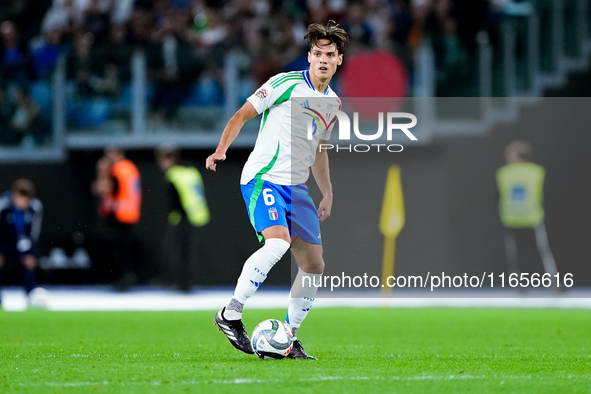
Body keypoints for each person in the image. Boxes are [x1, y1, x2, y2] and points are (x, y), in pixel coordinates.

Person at [206, 21, 348, 359]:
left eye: (330, 54)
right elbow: (242, 114)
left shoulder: (333, 103)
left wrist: (327, 191)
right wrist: (222, 148)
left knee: (314, 265)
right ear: (309, 57)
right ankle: (230, 313)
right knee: (277, 244)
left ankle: (289, 338)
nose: (323, 60)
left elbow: (319, 150)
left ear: (339, 60)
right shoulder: (285, 82)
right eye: (317, 54)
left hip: (296, 185)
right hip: (264, 177)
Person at [496, 141, 558, 283]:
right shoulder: (537, 172)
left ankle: (518, 281)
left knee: (516, 252)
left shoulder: (504, 173)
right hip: (532, 216)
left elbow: (497, 196)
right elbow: (548, 195)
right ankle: (552, 279)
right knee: (542, 250)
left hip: (511, 218)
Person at [156, 145, 210, 292]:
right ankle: (187, 284)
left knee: (177, 252)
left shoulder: (173, 174)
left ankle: (180, 284)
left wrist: (175, 216)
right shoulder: (191, 171)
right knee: (189, 253)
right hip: (197, 215)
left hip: (183, 218)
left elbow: (175, 200)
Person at [92, 147, 141, 291]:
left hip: (119, 212)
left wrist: (101, 172)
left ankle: (124, 279)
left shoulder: (118, 169)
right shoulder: (130, 168)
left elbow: (104, 188)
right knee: (124, 247)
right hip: (130, 212)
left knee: (119, 249)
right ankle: (127, 277)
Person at [0, 179, 43, 307]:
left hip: (22, 243)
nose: (22, 202)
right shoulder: (3, 205)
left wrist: (30, 253)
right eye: (19, 198)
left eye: (25, 199)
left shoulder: (35, 207)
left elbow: (34, 233)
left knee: (29, 261)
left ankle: (30, 295)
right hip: (3, 242)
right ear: (14, 196)